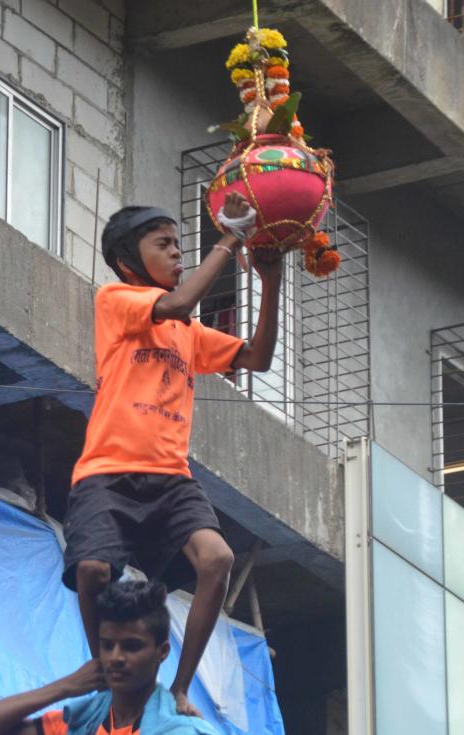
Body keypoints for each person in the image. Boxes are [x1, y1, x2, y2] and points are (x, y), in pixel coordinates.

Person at [64, 192, 283, 716]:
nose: (177, 254)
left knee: (219, 559)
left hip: (169, 477)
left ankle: (180, 688)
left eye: (180, 246)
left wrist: (271, 279)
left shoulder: (187, 332)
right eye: (164, 245)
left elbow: (258, 356)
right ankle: (104, 674)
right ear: (127, 261)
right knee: (93, 570)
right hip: (107, 472)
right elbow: (180, 301)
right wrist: (230, 240)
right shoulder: (115, 300)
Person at [0, 580, 218, 735]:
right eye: (107, 645)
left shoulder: (179, 729)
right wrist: (65, 687)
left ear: (161, 652)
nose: (116, 658)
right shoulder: (85, 720)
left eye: (131, 646)